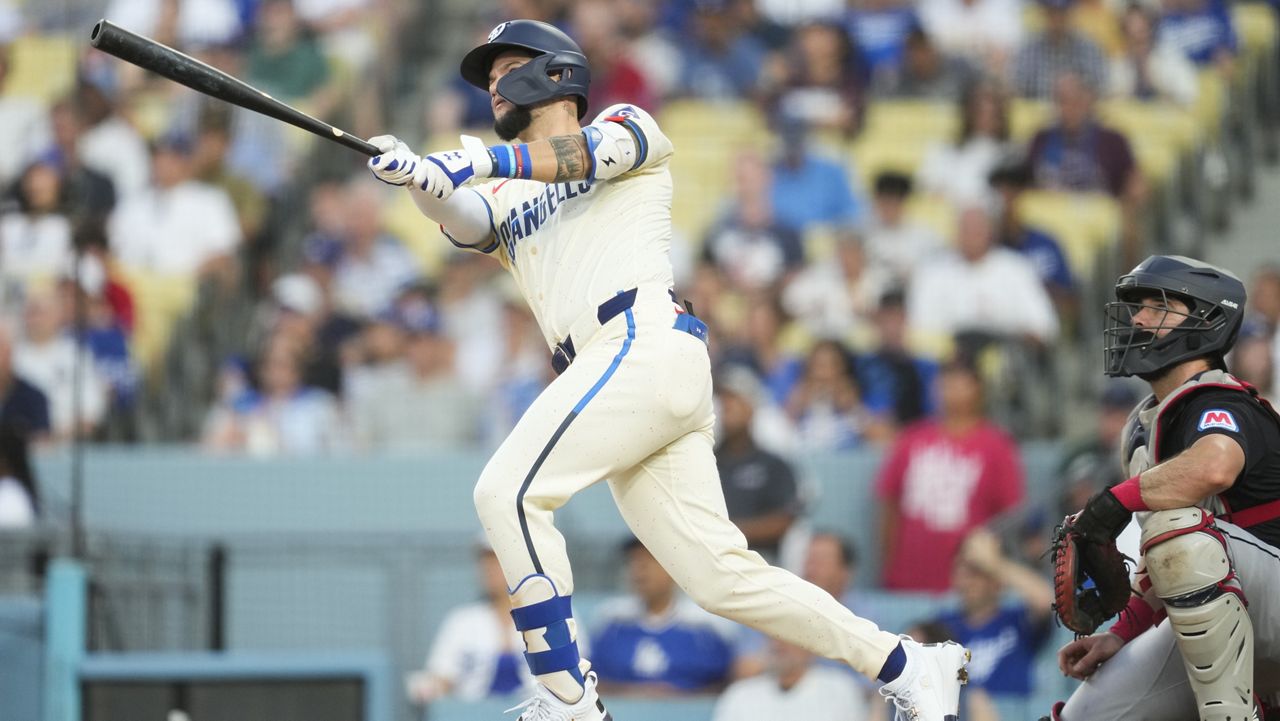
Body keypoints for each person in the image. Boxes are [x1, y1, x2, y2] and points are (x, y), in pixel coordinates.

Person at [365, 19, 969, 720]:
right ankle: (907, 662)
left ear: (554, 72)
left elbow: (582, 156)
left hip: (640, 342)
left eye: (504, 67)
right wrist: (415, 177)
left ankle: (567, 696)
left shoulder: (629, 123)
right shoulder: (505, 194)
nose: (492, 85)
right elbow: (464, 214)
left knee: (507, 492)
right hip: (624, 378)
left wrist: (470, 163)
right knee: (722, 579)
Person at [1043, 256, 1280, 721]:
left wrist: (1114, 500)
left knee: (1179, 528)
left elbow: (1215, 465)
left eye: (1158, 305)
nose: (1137, 318)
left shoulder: (1225, 400)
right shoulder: (1143, 426)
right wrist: (1122, 633)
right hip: (1234, 611)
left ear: (1207, 320)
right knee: (1086, 716)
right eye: (1137, 306)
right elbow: (1169, 565)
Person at [876, 361, 1025, 592]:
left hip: (970, 585)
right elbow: (889, 506)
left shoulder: (997, 446)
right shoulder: (911, 439)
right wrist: (888, 563)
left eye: (959, 383)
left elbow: (1009, 518)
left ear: (978, 389)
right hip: (907, 579)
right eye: (945, 382)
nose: (950, 390)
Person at [590, 538, 736, 696]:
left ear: (675, 569)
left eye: (650, 560)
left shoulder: (706, 625)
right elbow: (592, 682)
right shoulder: (611, 621)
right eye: (633, 561)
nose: (639, 570)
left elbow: (725, 683)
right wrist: (635, 694)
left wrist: (677, 696)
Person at [933, 528, 1054, 715]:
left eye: (977, 571)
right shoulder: (942, 625)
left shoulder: (1018, 621)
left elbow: (1046, 601)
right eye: (961, 569)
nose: (966, 580)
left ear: (998, 578)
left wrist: (994, 563)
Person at [405, 542, 533, 704]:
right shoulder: (462, 621)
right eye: (485, 562)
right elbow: (442, 677)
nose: (489, 569)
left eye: (498, 561)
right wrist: (430, 688)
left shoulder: (551, 617)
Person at [714, 365, 803, 559]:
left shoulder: (772, 464)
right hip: (709, 559)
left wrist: (729, 533)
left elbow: (784, 519)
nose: (727, 406)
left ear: (751, 406)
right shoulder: (705, 460)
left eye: (735, 399)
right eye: (723, 400)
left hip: (760, 560)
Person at [713, 638, 870, 721]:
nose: (778, 645)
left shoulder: (839, 688)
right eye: (773, 636)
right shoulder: (740, 695)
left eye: (788, 637)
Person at [917, 81, 1015, 206]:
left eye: (992, 114)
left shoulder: (1012, 154)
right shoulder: (944, 151)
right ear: (968, 114)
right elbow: (927, 185)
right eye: (980, 112)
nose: (986, 119)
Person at [1013, 0, 1107, 99]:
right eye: (1052, 13)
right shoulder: (1028, 51)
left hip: (1078, 112)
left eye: (1062, 13)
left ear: (1071, 14)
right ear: (1044, 14)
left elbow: (1100, 88)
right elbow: (1017, 89)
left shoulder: (1089, 50)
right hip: (1038, 111)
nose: (1057, 19)